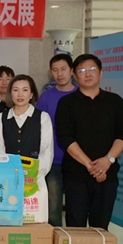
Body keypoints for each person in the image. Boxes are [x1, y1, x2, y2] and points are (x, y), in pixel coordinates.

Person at [56, 54, 123, 229]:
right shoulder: (66, 103)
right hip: (76, 175)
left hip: (107, 174)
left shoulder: (114, 101)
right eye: (82, 70)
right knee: (76, 225)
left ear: (100, 73)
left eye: (92, 69)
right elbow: (65, 137)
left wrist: (108, 160)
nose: (87, 74)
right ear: (75, 75)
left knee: (101, 227)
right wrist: (92, 167)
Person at [0, 75, 54, 210]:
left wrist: (34, 175)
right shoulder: (1, 118)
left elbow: (46, 151)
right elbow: (0, 149)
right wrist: (10, 174)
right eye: (15, 90)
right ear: (10, 94)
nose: (20, 94)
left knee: (33, 217)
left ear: (32, 94)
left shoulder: (42, 117)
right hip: (8, 179)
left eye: (25, 90)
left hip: (35, 180)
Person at [37, 54, 77, 226]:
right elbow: (38, 128)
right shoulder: (46, 97)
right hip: (53, 161)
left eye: (63, 69)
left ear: (72, 71)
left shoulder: (80, 95)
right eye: (55, 70)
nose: (59, 74)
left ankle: (73, 239)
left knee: (76, 206)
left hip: (77, 161)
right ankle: (55, 239)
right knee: (53, 207)